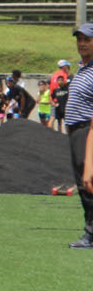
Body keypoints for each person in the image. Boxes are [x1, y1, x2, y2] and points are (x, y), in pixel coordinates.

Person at [66, 24, 93, 248]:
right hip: (76, 130)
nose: (82, 44)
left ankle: (91, 233)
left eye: (87, 39)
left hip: (87, 129)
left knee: (88, 182)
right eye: (79, 39)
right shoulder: (82, 68)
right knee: (82, 182)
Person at [52, 60, 72, 133]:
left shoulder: (54, 75)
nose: (69, 68)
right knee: (62, 122)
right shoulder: (66, 76)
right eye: (68, 67)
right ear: (64, 67)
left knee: (64, 122)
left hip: (63, 105)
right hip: (61, 106)